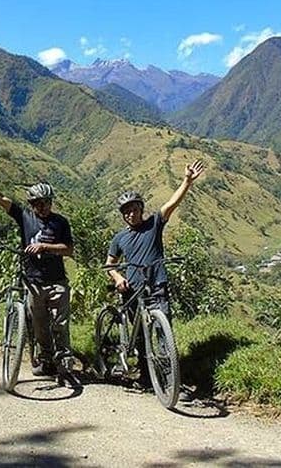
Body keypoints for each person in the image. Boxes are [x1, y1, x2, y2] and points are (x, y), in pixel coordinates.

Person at [0, 162, 75, 378]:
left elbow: (68, 249)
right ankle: (47, 361)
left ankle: (65, 364)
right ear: (32, 204)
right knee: (40, 325)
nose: (43, 207)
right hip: (33, 282)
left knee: (60, 324)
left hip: (57, 280)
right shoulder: (24, 216)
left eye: (47, 202)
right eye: (38, 203)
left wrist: (44, 247)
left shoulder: (61, 222)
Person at [105, 159, 205, 389]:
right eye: (126, 211)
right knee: (140, 336)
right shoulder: (119, 238)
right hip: (132, 291)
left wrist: (187, 181)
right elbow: (110, 264)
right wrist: (118, 278)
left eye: (134, 209)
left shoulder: (154, 224)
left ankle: (170, 382)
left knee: (162, 333)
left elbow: (172, 203)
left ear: (141, 209)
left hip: (157, 286)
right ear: (123, 215)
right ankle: (145, 376)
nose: (131, 214)